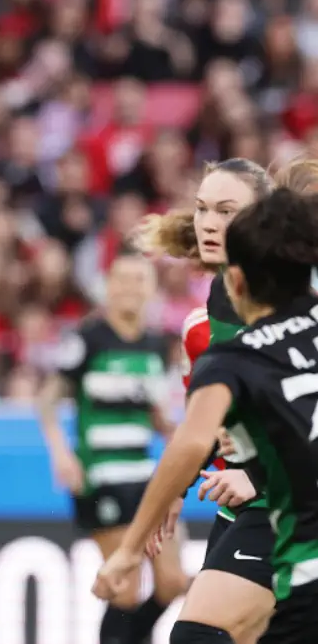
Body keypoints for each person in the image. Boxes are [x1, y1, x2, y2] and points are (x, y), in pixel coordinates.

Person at [94, 182, 318, 644]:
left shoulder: (239, 344)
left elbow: (195, 436)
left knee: (201, 635)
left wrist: (130, 550)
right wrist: (183, 486)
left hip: (281, 504)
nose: (209, 222)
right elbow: (207, 432)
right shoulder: (210, 321)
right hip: (249, 506)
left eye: (226, 210)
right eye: (201, 209)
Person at [37, 252, 188, 644]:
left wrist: (177, 431)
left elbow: (153, 413)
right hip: (100, 474)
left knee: (172, 582)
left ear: (151, 288)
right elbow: (47, 400)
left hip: (145, 475)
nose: (128, 288)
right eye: (120, 279)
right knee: (125, 585)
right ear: (107, 287)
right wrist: (60, 452)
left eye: (138, 279)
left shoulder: (157, 346)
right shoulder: (87, 339)